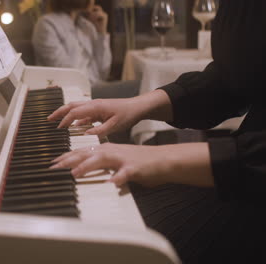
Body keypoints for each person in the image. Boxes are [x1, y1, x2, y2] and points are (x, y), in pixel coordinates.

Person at [48, 0, 266, 263]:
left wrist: (161, 158)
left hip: (251, 193)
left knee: (92, 241)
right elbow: (235, 79)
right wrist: (138, 105)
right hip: (241, 172)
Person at [31, 0, 140, 100]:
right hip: (73, 93)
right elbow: (69, 76)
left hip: (96, 86)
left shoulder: (87, 26)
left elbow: (103, 72)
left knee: (146, 86)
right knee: (143, 87)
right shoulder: (47, 25)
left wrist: (101, 32)